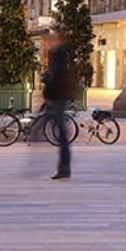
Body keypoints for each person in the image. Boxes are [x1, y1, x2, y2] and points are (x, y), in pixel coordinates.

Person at [43, 33, 78, 180]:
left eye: (49, 41)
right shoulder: (59, 55)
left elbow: (56, 78)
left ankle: (64, 167)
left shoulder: (58, 56)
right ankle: (63, 167)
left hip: (57, 98)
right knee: (61, 133)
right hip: (57, 97)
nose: (47, 44)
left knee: (62, 135)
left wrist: (48, 93)